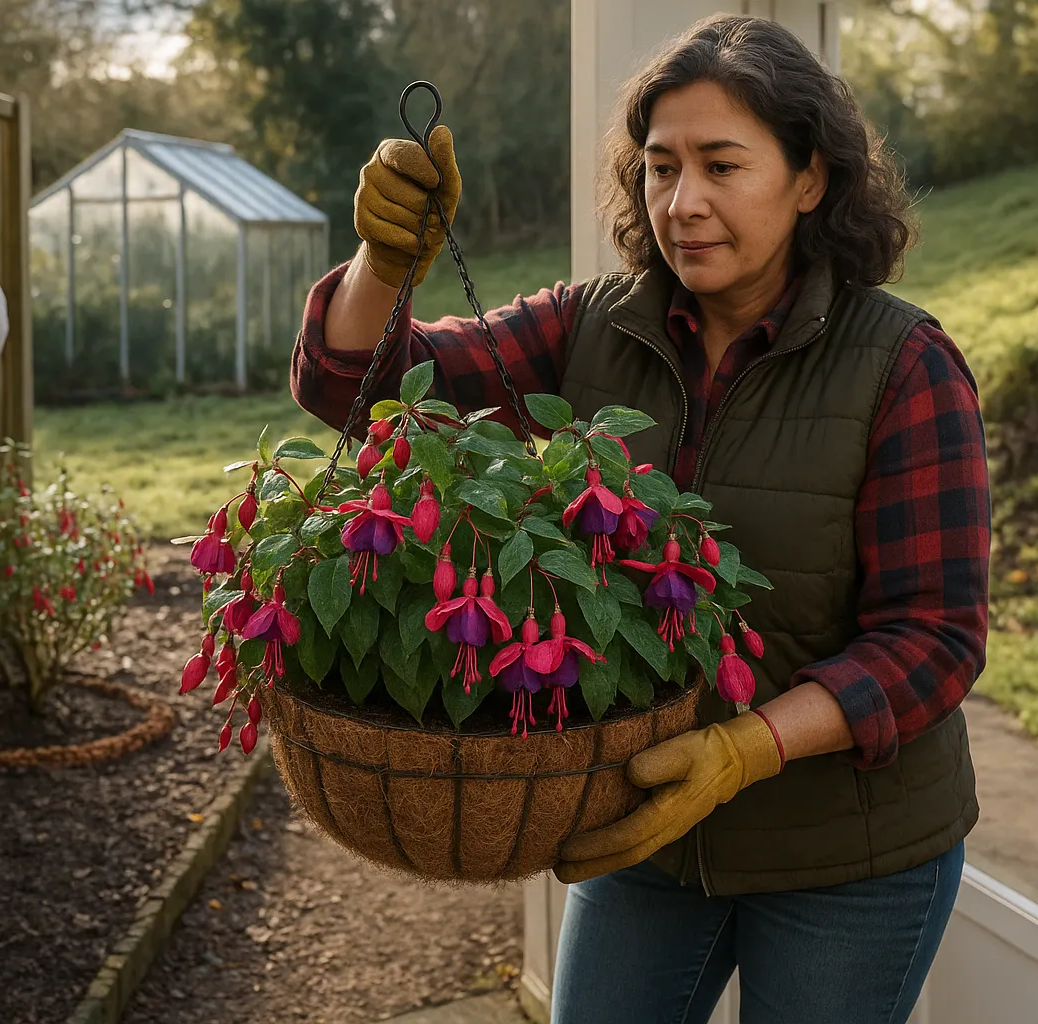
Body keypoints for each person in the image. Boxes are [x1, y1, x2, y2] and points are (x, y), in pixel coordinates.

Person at [292, 14, 989, 1024]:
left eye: (722, 164)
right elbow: (360, 380)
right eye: (661, 167)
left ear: (811, 179)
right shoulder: (596, 325)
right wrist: (381, 259)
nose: (684, 202)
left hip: (850, 855)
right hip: (641, 826)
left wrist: (745, 748)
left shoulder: (903, 365)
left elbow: (934, 639)